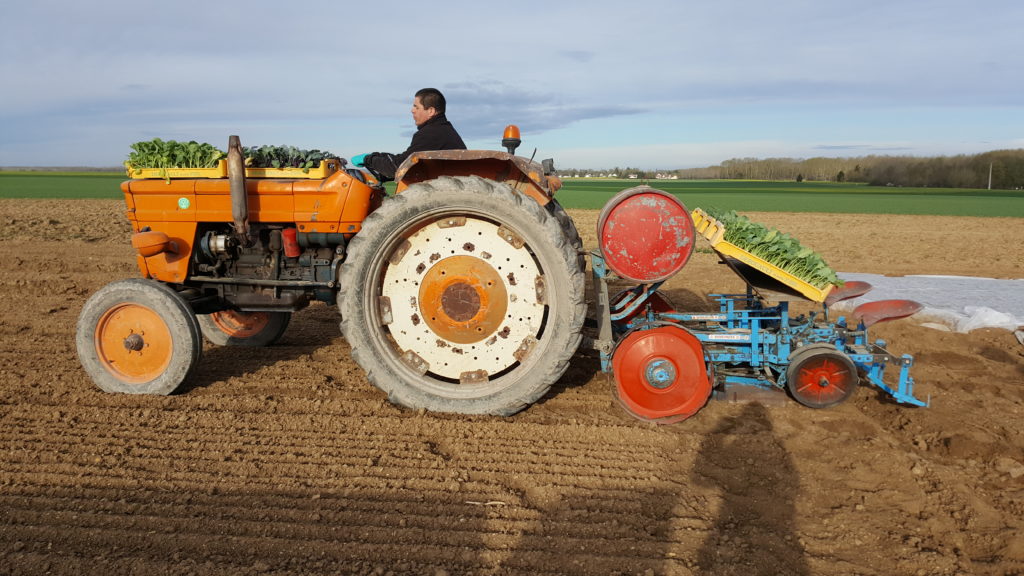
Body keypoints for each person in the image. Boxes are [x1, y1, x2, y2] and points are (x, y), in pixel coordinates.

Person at [351, 88, 466, 181]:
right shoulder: (443, 131)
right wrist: (376, 157)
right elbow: (405, 159)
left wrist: (368, 159)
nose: (412, 110)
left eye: (416, 106)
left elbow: (398, 167)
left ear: (430, 111)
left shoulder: (432, 134)